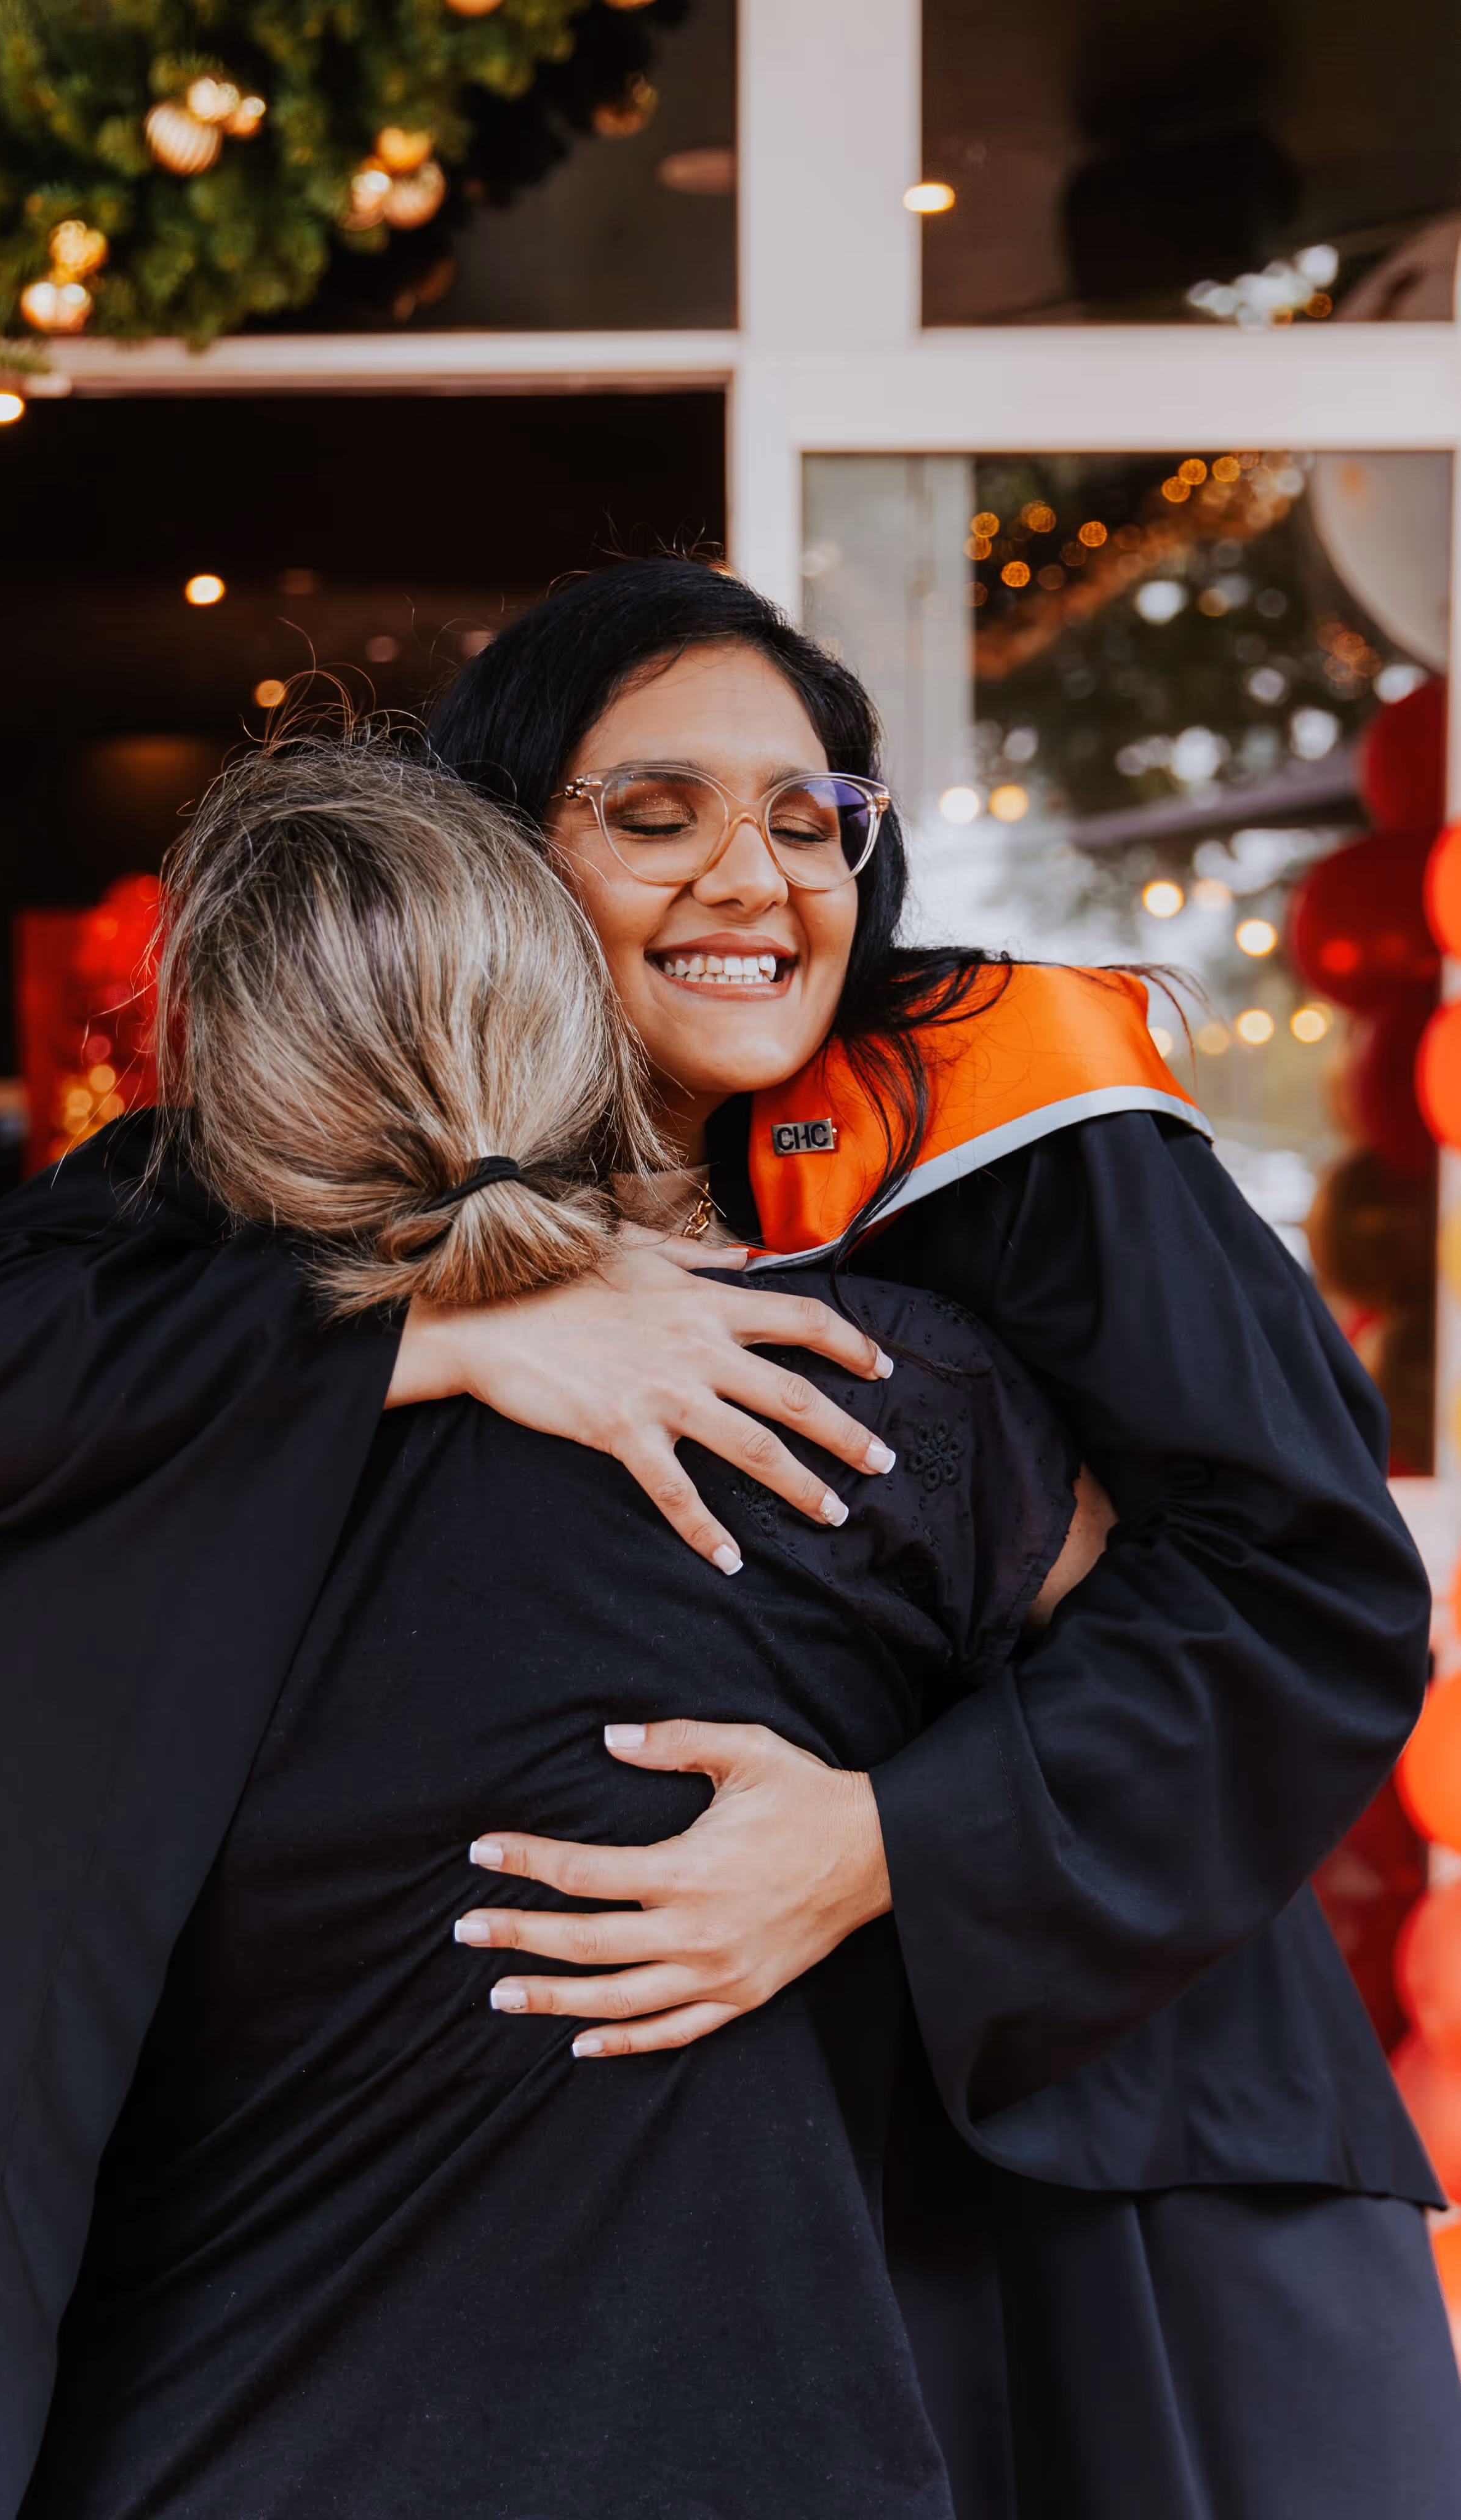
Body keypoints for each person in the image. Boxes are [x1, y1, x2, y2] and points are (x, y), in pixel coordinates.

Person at [0, 739, 1104, 2520]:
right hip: (760, 2456)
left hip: (195, 2462)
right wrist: (904, 1835)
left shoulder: (57, 1506)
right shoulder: (865, 1402)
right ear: (588, 1029)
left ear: (201, 1080)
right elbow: (1221, 1637)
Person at [403, 557, 1461, 2511]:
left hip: (1130, 2150)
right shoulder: (424, 1169)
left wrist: (887, 1843)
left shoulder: (1015, 1113)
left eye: (809, 820)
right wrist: (429, 1327)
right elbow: (15, 1360)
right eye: (657, 815)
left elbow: (1306, 1586)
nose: (755, 877)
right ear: (488, 854)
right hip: (730, 2185)